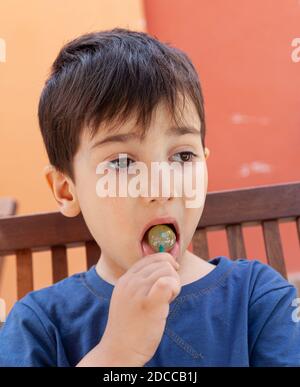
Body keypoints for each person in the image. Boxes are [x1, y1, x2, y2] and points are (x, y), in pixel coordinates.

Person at [0, 28, 299, 367]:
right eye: (123, 162)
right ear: (66, 190)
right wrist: (116, 354)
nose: (161, 186)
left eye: (183, 157)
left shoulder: (257, 298)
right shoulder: (38, 323)